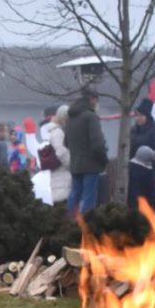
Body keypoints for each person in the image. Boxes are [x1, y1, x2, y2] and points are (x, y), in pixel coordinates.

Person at [65, 89, 108, 218]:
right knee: (89, 197)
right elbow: (98, 144)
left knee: (74, 195)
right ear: (92, 99)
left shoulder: (71, 117)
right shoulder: (91, 117)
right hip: (91, 165)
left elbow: (66, 142)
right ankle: (87, 224)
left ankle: (68, 222)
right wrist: (103, 160)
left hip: (75, 164)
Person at [43, 104, 72, 205]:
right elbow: (60, 151)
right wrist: (71, 164)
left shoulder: (53, 132)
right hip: (62, 173)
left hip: (58, 174)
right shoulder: (58, 132)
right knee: (61, 201)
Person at [128, 144, 155, 211]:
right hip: (142, 206)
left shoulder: (128, 168)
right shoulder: (148, 174)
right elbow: (153, 195)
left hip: (129, 204)